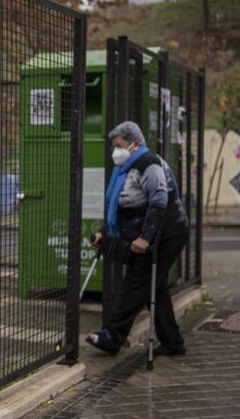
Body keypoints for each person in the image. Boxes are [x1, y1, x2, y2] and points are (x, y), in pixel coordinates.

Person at [86, 120, 189, 357]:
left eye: (120, 145)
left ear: (135, 144)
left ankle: (112, 336)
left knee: (137, 281)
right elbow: (121, 207)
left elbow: (159, 202)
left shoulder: (148, 164)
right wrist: (104, 231)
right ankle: (173, 342)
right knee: (155, 286)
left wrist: (145, 238)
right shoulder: (124, 170)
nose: (116, 151)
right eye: (113, 146)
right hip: (153, 232)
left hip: (167, 233)